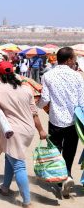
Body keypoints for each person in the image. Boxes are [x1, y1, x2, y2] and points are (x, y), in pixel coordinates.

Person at [0, 61, 47, 208]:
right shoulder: (26, 89)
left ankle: (26, 202)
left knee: (19, 165)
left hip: (12, 131)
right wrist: (41, 130)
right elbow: (34, 113)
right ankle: (5, 188)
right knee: (10, 157)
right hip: (28, 130)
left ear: (0, 76)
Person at [37, 47, 84, 198]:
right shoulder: (77, 76)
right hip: (73, 121)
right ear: (69, 60)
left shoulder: (48, 75)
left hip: (55, 119)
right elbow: (82, 101)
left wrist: (36, 106)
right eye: (74, 58)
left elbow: (45, 99)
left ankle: (59, 181)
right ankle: (68, 175)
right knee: (69, 151)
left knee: (55, 151)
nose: (75, 60)